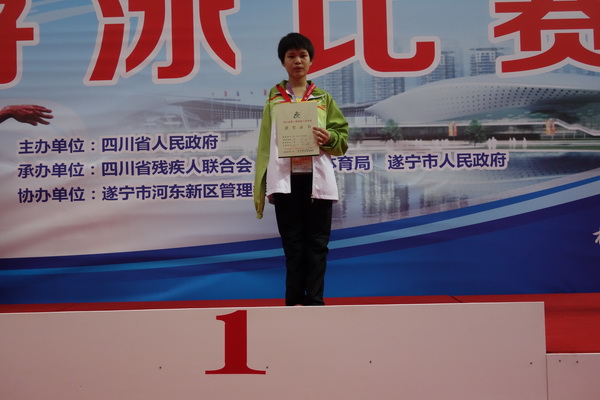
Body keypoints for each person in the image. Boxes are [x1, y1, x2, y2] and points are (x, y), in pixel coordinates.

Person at [254, 32, 349, 306]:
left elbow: (342, 140)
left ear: (311, 60)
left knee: (318, 246)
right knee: (293, 247)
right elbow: (264, 145)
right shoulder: (273, 99)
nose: (297, 61)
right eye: (291, 56)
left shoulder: (323, 98)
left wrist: (329, 138)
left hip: (317, 180)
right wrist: (263, 184)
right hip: (286, 182)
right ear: (283, 62)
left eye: (303, 55)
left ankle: (315, 303)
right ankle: (293, 303)